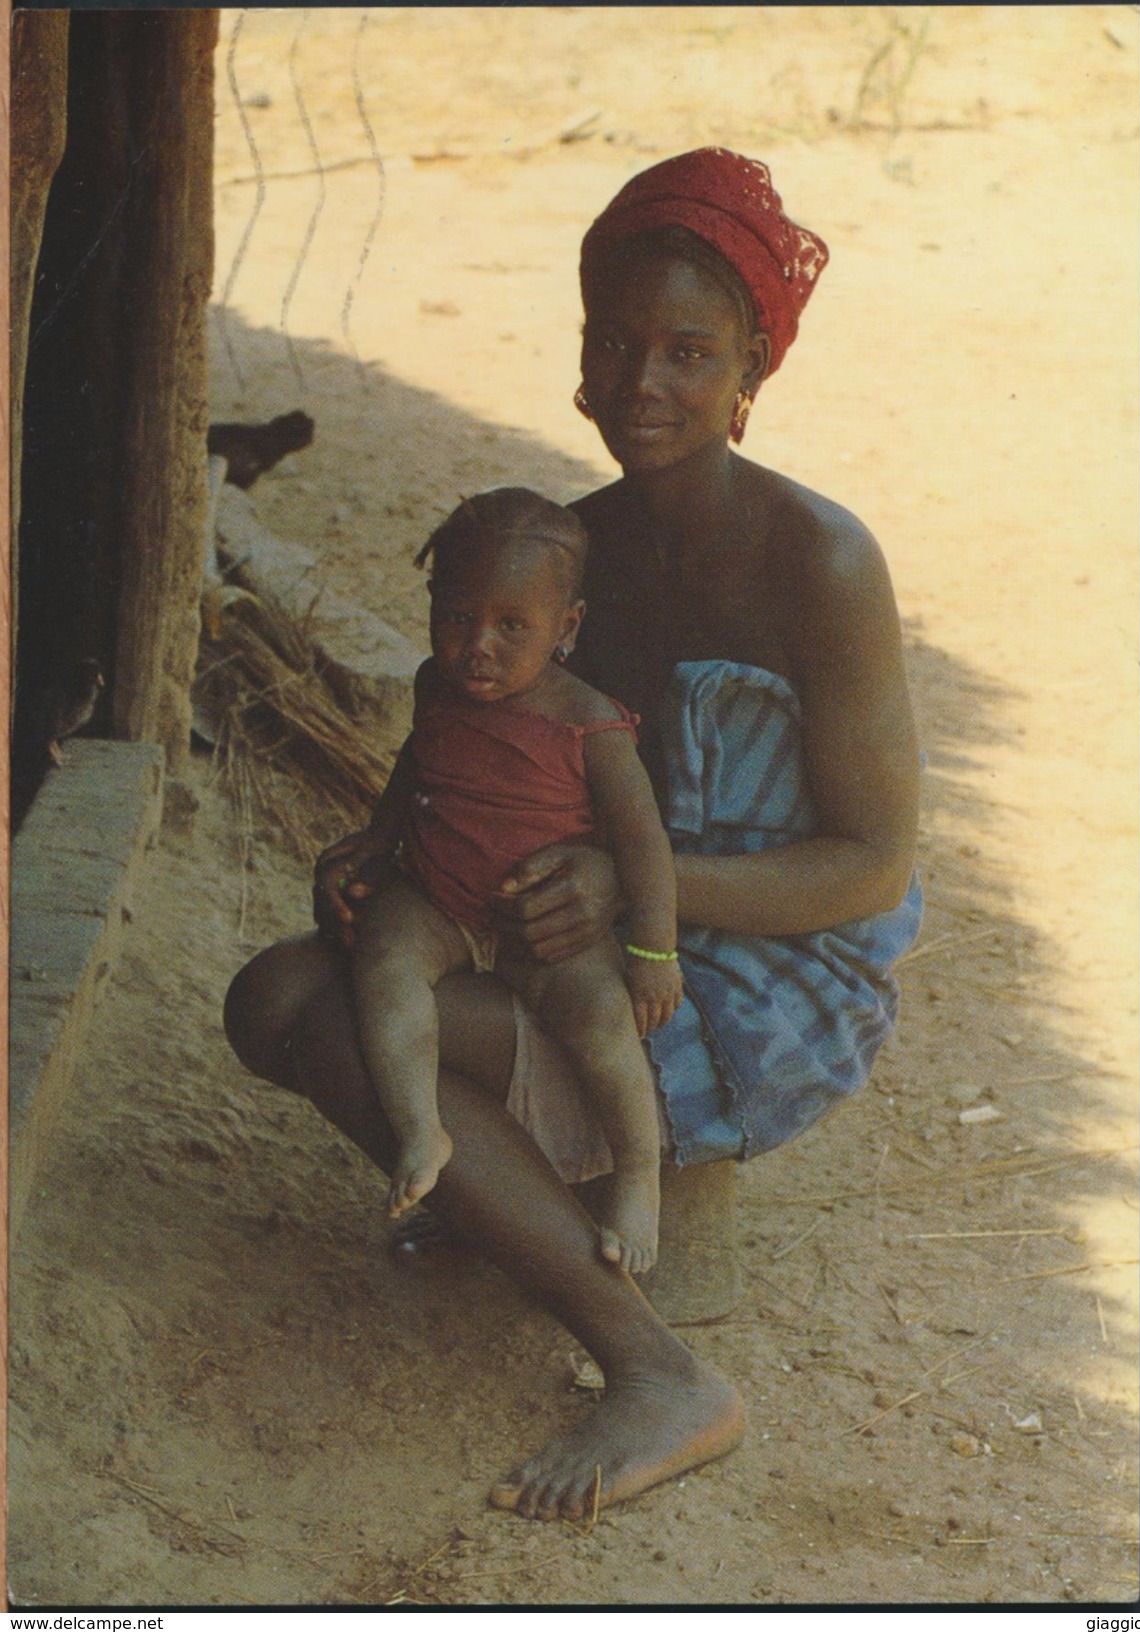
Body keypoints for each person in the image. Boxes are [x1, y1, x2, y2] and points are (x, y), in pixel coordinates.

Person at [224, 146, 924, 1524]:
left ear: (751, 375)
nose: (645, 383)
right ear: (581, 357)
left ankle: (656, 1371)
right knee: (285, 992)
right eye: (617, 344)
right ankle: (519, 1196)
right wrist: (388, 859)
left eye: (687, 351)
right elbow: (492, 771)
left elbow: (870, 864)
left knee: (309, 1013)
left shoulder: (819, 562)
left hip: (761, 966)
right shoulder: (572, 555)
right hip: (589, 932)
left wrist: (631, 897)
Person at [336, 487, 681, 1273]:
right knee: (384, 965)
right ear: (431, 605)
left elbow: (642, 843)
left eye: (511, 625)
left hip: (545, 925)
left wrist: (654, 952)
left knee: (601, 1018)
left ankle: (636, 1176)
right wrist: (379, 841)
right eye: (458, 617)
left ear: (567, 628)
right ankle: (421, 1126)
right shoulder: (435, 686)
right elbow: (412, 767)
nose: (477, 646)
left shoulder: (589, 724)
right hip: (438, 900)